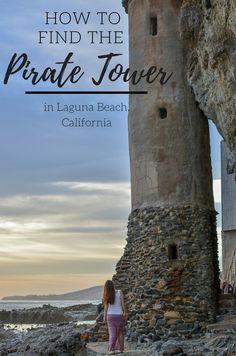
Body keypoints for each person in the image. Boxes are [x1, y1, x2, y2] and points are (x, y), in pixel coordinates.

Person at [102, 280, 128, 355]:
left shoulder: (107, 294)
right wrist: (125, 312)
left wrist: (104, 317)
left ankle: (111, 350)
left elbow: (106, 307)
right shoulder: (119, 292)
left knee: (112, 332)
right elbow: (123, 304)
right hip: (119, 315)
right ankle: (121, 349)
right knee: (120, 332)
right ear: (113, 285)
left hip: (110, 316)